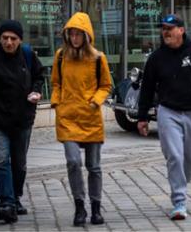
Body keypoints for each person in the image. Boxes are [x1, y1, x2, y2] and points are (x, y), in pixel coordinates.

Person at [137, 14, 191, 221]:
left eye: (170, 28)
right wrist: (142, 118)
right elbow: (147, 89)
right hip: (168, 111)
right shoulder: (156, 58)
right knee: (175, 156)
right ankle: (179, 201)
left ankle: (181, 186)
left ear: (181, 30)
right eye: (163, 29)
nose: (165, 32)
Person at [50, 12, 112, 227]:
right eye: (71, 34)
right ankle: (79, 206)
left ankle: (95, 208)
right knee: (73, 162)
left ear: (87, 36)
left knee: (93, 166)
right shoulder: (60, 56)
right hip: (68, 118)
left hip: (90, 118)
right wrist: (57, 102)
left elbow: (106, 85)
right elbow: (56, 83)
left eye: (78, 34)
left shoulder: (97, 58)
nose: (74, 38)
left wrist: (95, 101)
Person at [0, 20, 44, 224]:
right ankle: (7, 203)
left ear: (20, 40)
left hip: (22, 120)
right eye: (4, 38)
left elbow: (39, 76)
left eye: (13, 39)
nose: (8, 42)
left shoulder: (28, 55)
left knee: (19, 164)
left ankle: (16, 197)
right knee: (2, 161)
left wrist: (36, 91)